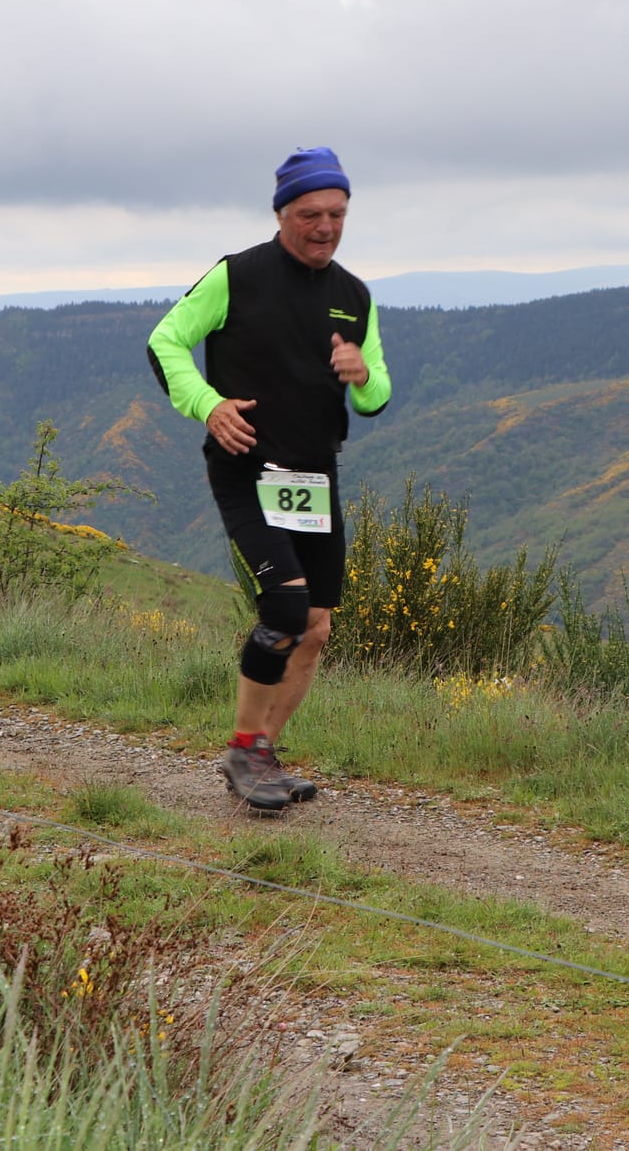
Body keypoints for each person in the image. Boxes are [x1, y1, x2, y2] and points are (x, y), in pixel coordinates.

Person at [146, 146, 392, 812]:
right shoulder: (238, 276)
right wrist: (210, 405)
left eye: (337, 213)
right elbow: (165, 341)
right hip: (247, 469)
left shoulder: (353, 297)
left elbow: (377, 397)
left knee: (314, 627)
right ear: (282, 213)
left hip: (315, 477)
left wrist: (361, 375)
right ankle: (241, 747)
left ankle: (260, 752)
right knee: (283, 608)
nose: (326, 227)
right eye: (311, 213)